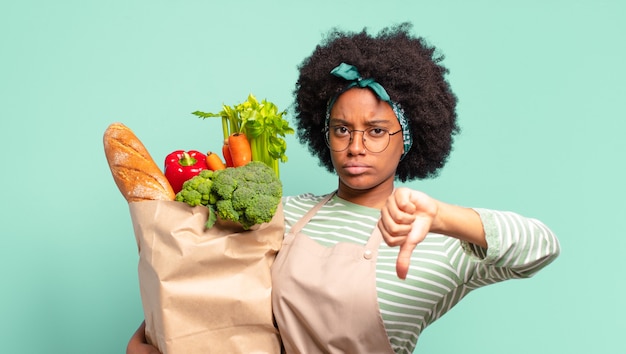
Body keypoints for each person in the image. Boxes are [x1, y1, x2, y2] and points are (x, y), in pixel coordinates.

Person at [127, 23, 560, 354]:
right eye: (341, 130)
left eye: (376, 131)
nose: (356, 147)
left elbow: (542, 246)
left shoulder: (439, 241)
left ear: (407, 139)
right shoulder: (287, 212)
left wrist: (444, 218)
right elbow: (210, 293)